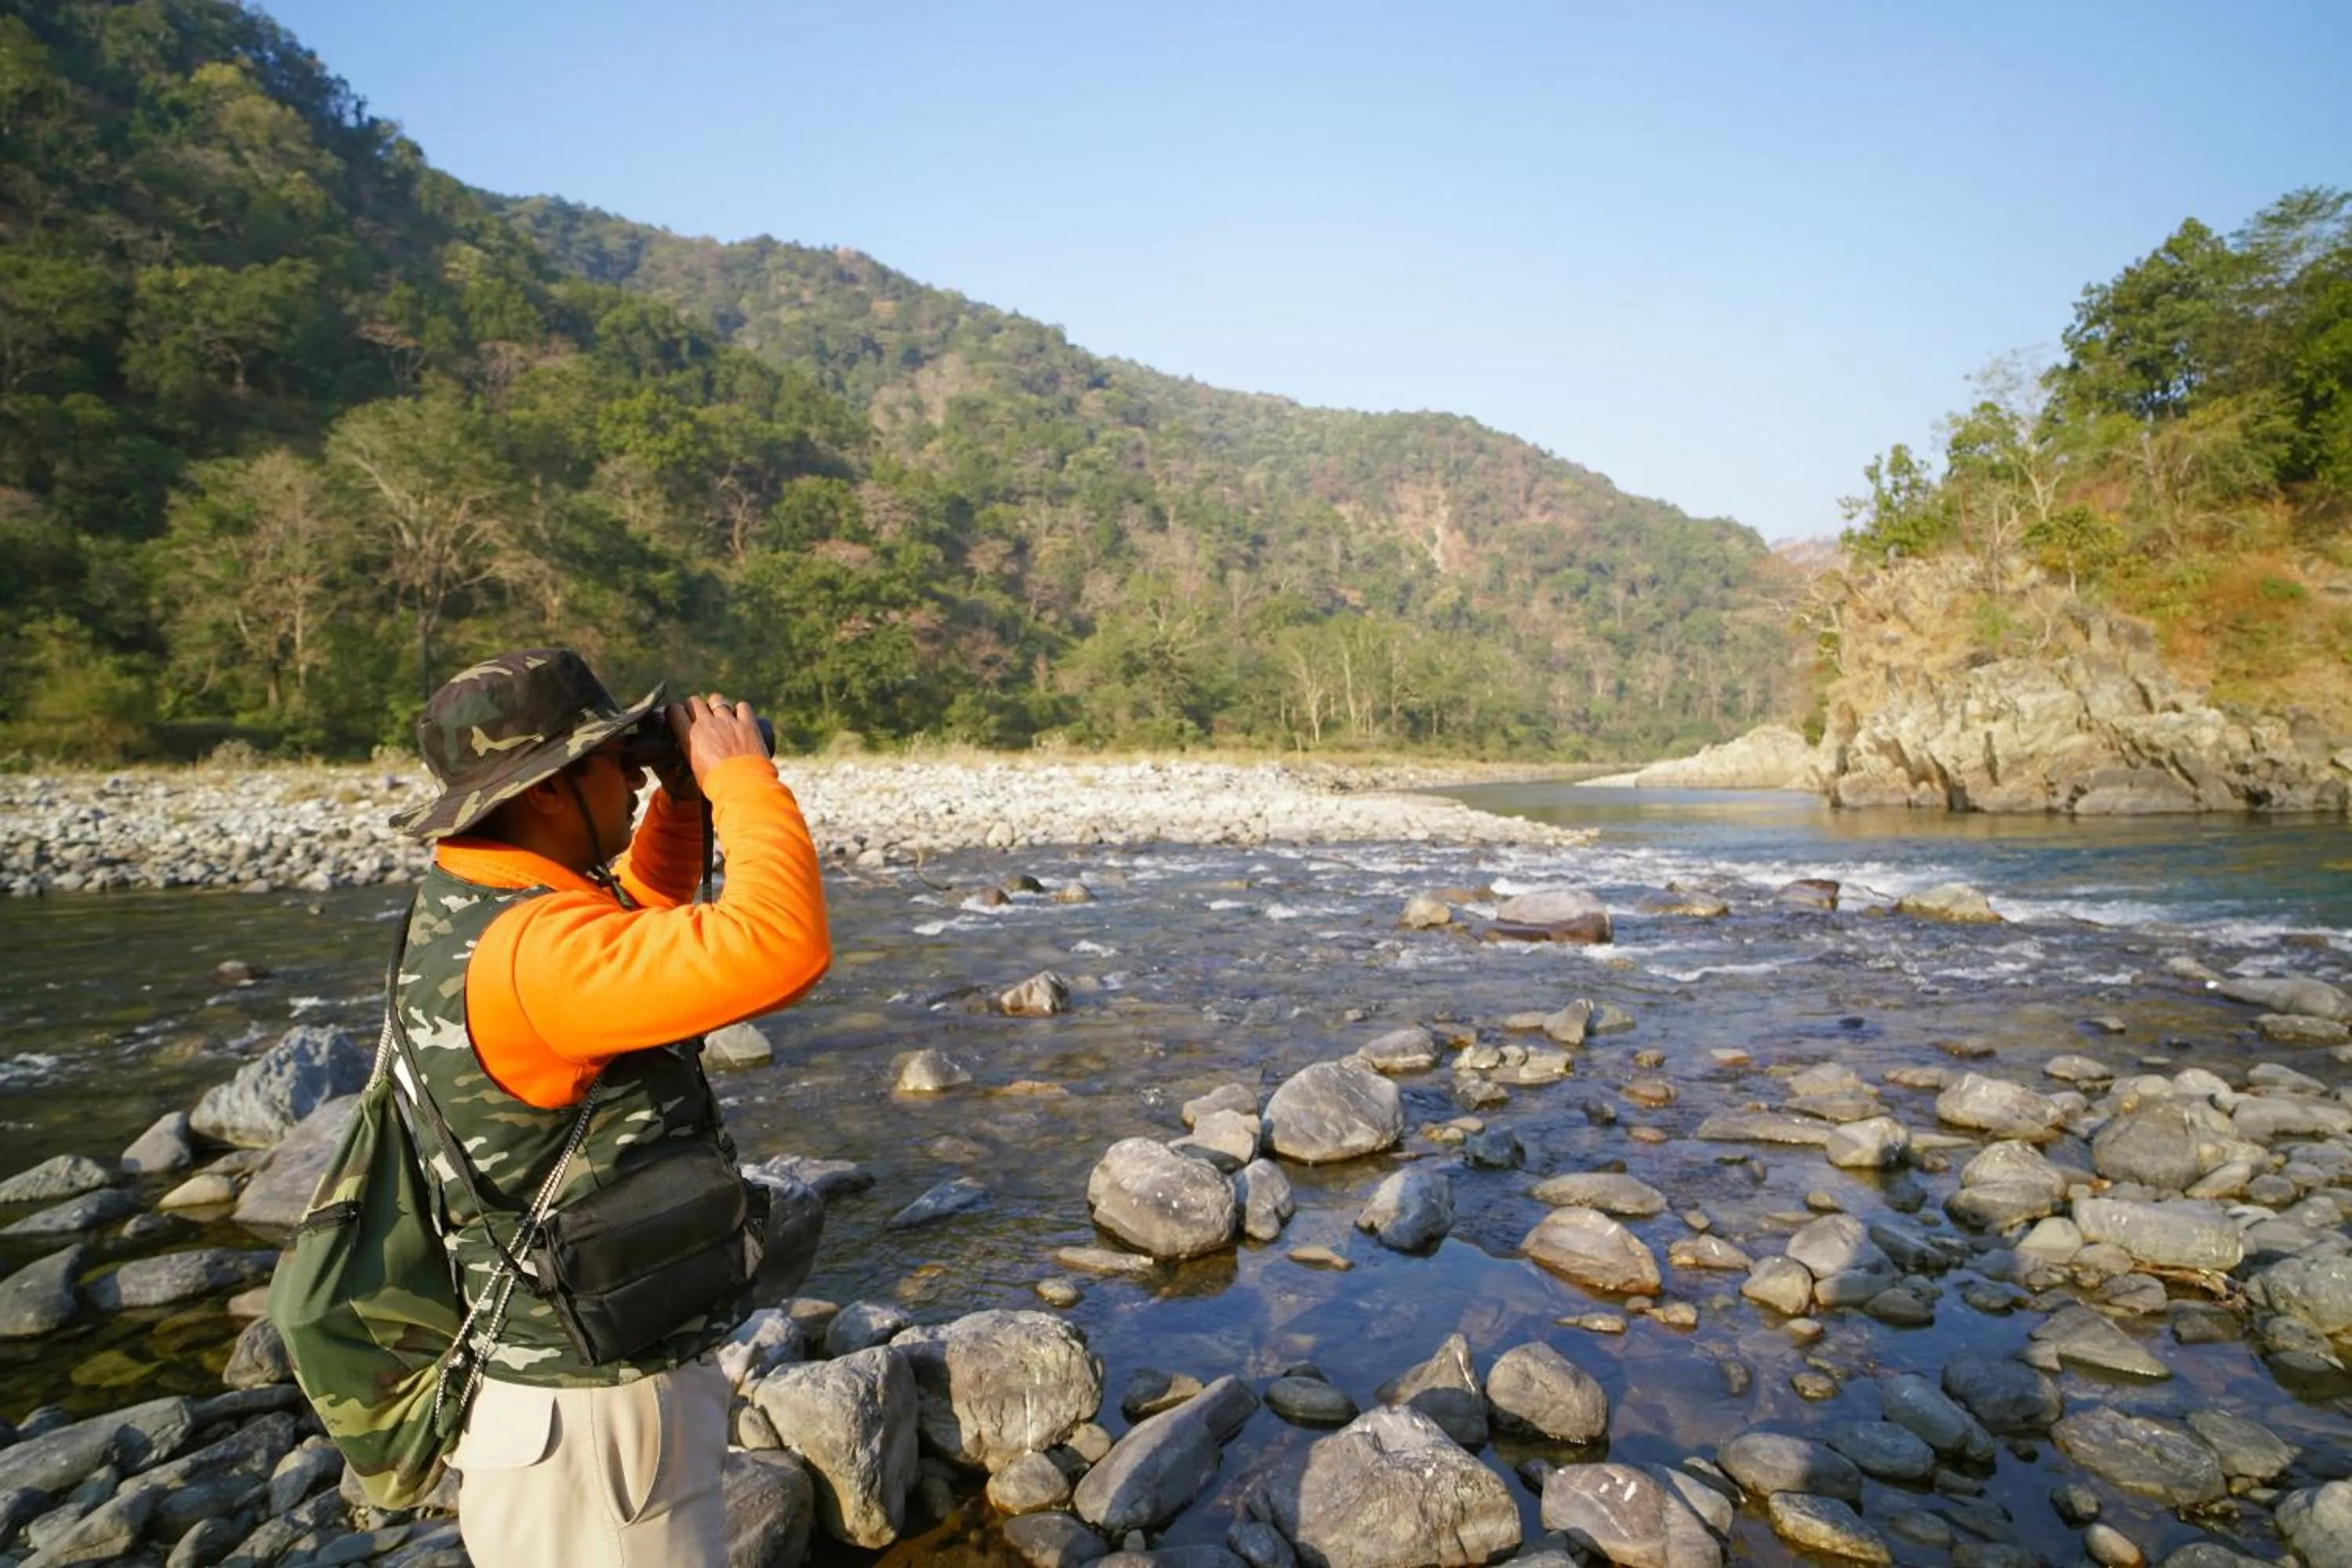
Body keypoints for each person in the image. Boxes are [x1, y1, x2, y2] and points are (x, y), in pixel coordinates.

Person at [383, 648, 829, 1567]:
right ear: (546, 790)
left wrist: (681, 796)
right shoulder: (537, 953)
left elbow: (637, 905)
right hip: (593, 1422)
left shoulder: (487, 900)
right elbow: (780, 945)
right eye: (610, 759)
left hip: (566, 1390)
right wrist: (740, 776)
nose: (631, 772)